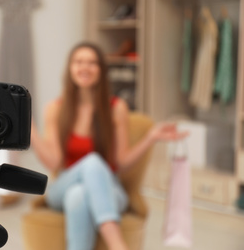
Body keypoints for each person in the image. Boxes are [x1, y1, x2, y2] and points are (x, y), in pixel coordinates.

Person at [30, 42, 188, 250]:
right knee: (90, 166)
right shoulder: (55, 109)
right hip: (64, 184)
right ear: (70, 68)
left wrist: (151, 138)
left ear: (102, 70)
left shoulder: (116, 108)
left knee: (78, 195)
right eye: (78, 62)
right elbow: (54, 162)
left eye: (92, 63)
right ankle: (117, 244)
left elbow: (121, 163)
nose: (84, 67)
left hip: (109, 187)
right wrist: (30, 132)